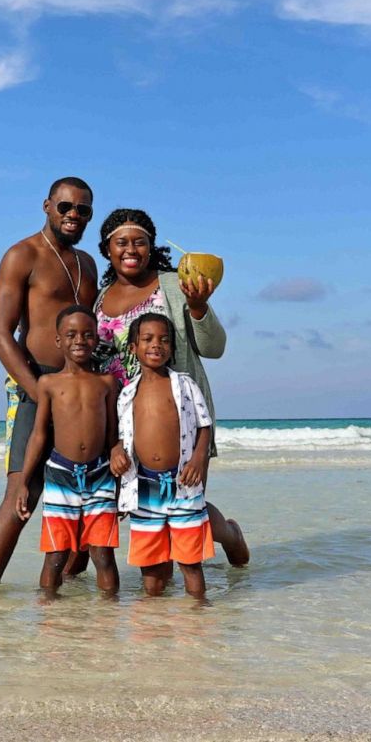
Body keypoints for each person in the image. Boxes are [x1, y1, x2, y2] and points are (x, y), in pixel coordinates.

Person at [94, 207, 248, 565]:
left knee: (186, 505)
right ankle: (159, 600)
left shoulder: (174, 285)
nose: (131, 249)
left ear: (151, 248)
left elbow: (214, 349)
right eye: (121, 242)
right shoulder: (100, 299)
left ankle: (229, 534)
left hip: (177, 418)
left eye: (140, 242)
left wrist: (198, 308)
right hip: (125, 422)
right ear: (107, 249)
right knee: (144, 510)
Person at [0, 177, 100, 587]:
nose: (73, 216)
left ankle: (68, 595)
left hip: (83, 386)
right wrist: (36, 390)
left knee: (87, 491)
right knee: (21, 493)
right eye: (65, 207)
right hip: (37, 383)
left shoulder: (86, 263)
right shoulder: (22, 255)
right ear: (47, 206)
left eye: (83, 210)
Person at [14, 306, 121, 593]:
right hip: (60, 475)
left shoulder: (107, 383)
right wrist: (24, 481)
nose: (80, 340)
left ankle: (108, 624)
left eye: (88, 334)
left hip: (101, 476)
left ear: (96, 339)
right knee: (56, 556)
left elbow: (113, 434)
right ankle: (50, 623)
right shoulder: (48, 383)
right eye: (71, 334)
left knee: (103, 555)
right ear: (58, 340)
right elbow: (38, 434)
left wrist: (121, 484)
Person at [110, 312, 211, 596]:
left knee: (190, 563)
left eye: (164, 340)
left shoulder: (184, 385)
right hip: (145, 487)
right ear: (133, 348)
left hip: (182, 485)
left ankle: (198, 617)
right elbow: (123, 434)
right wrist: (116, 449)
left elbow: (205, 425)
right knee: (151, 573)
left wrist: (198, 459)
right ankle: (154, 628)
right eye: (148, 339)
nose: (157, 345)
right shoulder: (128, 393)